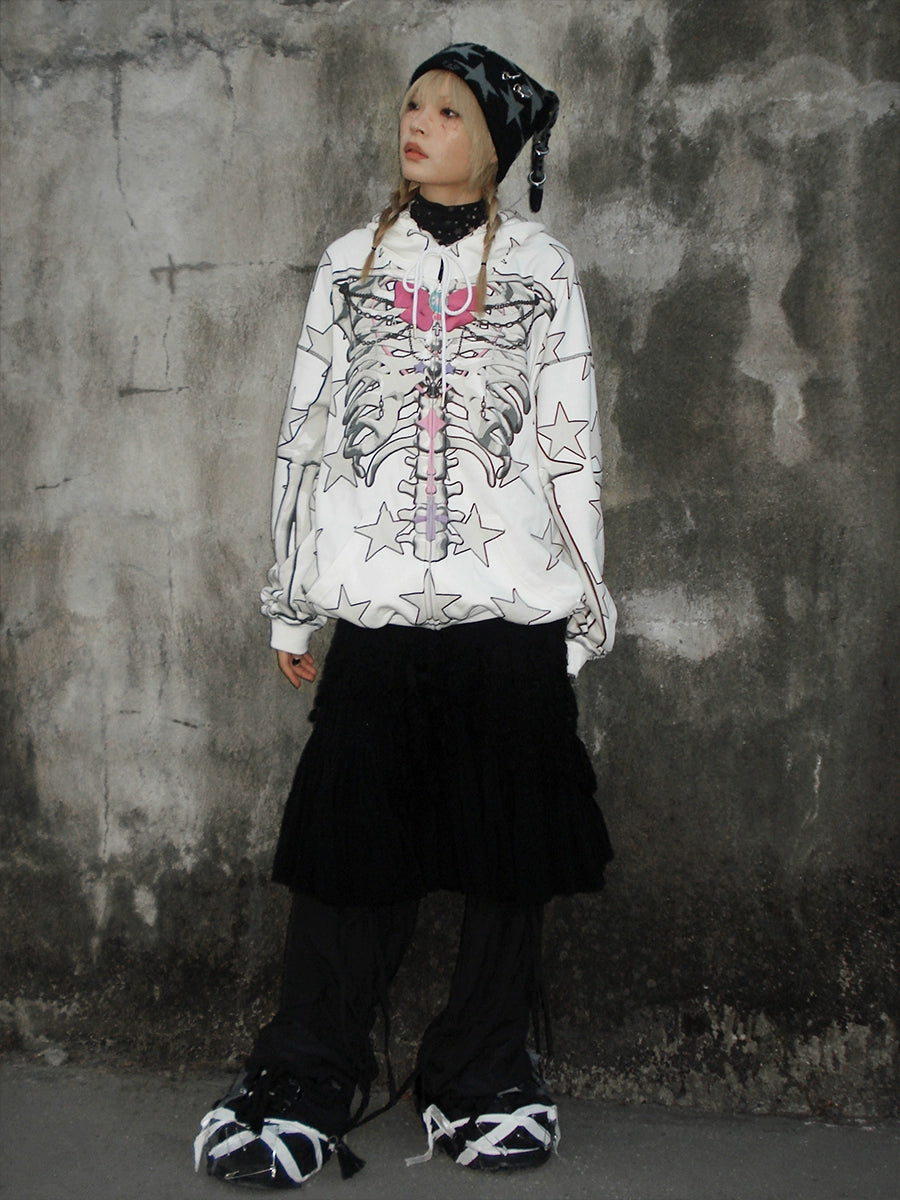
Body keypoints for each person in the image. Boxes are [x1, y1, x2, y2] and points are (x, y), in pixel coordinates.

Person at [193, 42, 616, 1188]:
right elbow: (307, 434)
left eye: (448, 110)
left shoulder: (541, 268)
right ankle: (307, 1069)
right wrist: (293, 606)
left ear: (498, 144)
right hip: (378, 616)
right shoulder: (351, 264)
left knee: (508, 859)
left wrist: (581, 613)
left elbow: (569, 443)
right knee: (349, 854)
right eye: (412, 105)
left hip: (508, 610)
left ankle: (481, 1068)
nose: (417, 123)